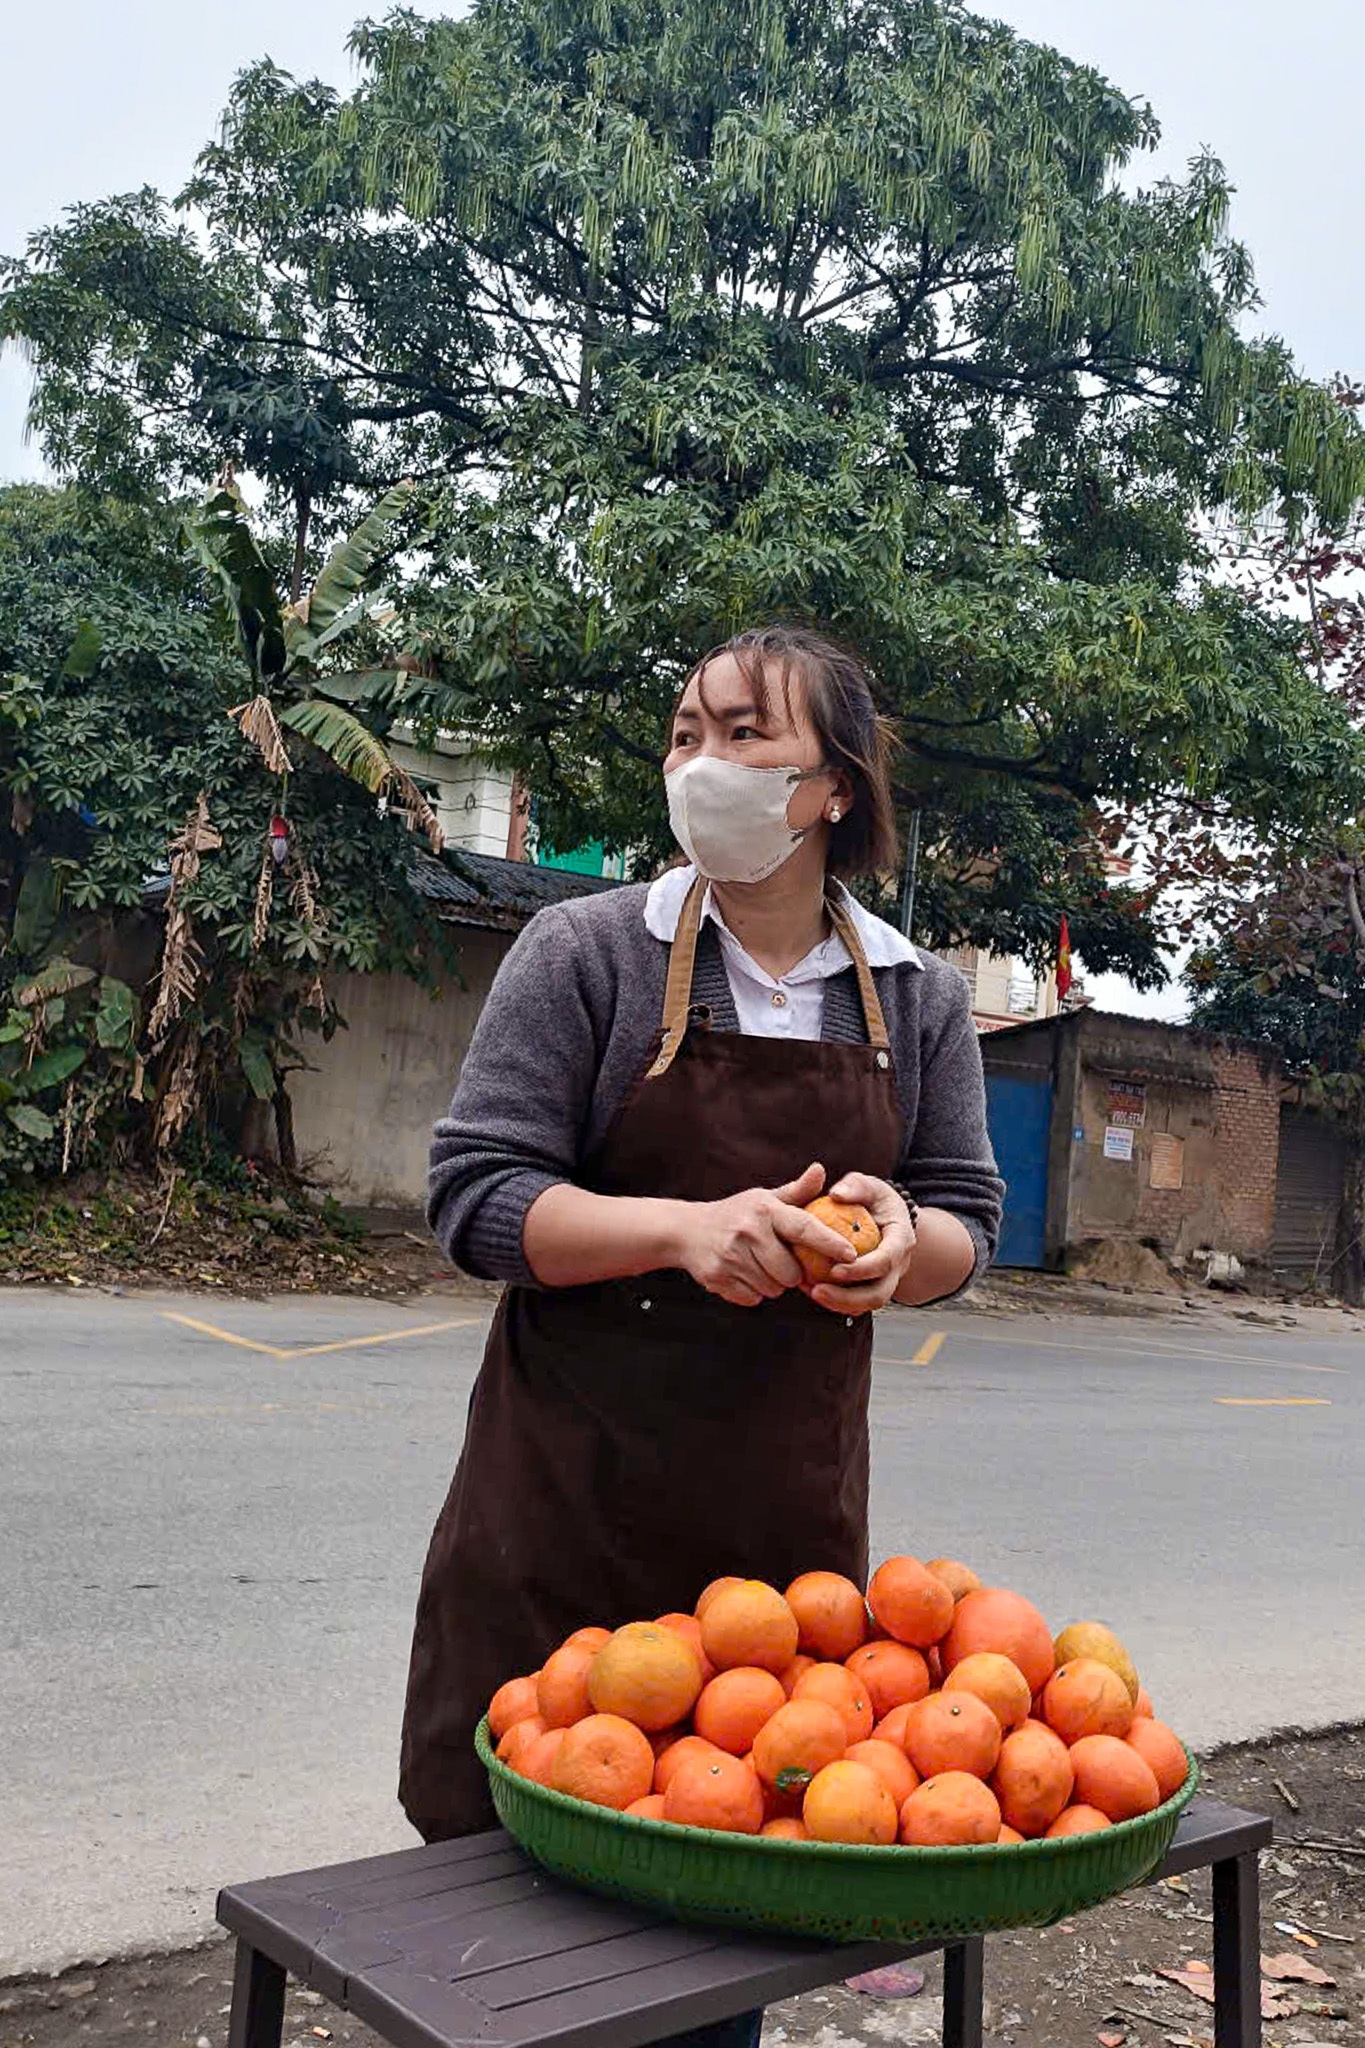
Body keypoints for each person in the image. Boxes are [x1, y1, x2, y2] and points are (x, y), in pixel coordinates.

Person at [401, 624, 1004, 1866]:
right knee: (512, 1910)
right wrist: (686, 1231)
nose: (701, 763)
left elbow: (965, 1217)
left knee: (741, 1880)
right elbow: (477, 1198)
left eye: (744, 735)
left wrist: (901, 1246)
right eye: (687, 734)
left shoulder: (922, 996)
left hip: (786, 1553)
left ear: (835, 784)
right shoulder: (581, 955)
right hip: (564, 1511)